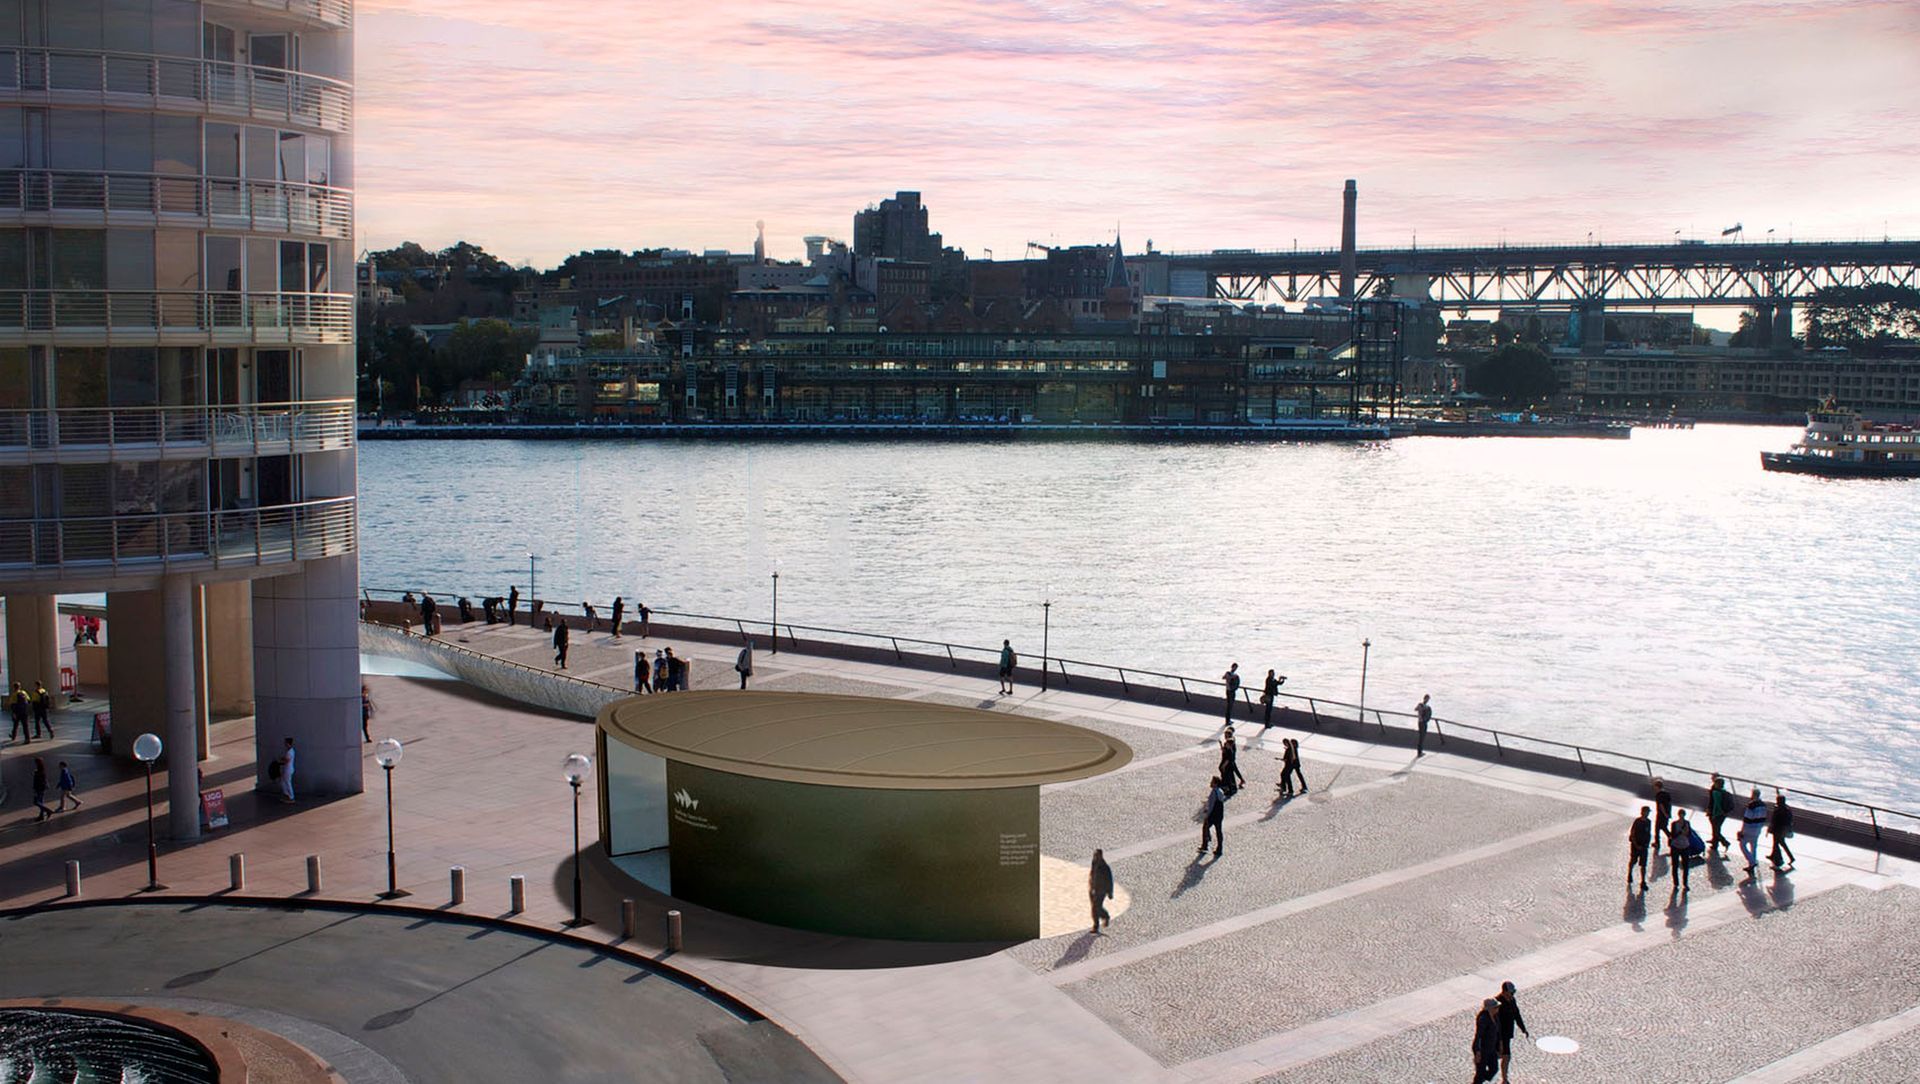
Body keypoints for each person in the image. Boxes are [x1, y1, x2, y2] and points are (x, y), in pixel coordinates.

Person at [1495, 981, 1529, 1083]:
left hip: (1507, 1034)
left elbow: (1516, 1014)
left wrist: (1523, 1029)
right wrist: (1500, 1040)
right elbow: (1497, 1023)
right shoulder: (1498, 1003)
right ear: (1504, 992)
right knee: (1503, 1055)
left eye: (1513, 992)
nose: (1512, 994)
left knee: (1505, 1056)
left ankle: (1504, 1080)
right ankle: (1502, 1079)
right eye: (1511, 992)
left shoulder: (1512, 1000)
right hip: (1499, 1035)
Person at [1738, 788, 1768, 876]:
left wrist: (1742, 831)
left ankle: (1752, 861)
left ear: (1753, 794)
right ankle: (1752, 863)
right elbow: (1764, 818)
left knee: (1742, 845)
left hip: (1749, 829)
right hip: (1758, 828)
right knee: (1753, 846)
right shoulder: (1763, 805)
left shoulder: (1751, 805)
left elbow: (1747, 819)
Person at [1471, 998, 1502, 1083]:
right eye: (1496, 1007)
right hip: (1482, 1049)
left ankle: (1483, 1078)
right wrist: (1477, 1051)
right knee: (1480, 1073)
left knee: (1494, 1068)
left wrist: (1499, 1045)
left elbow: (1498, 1032)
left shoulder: (1495, 1017)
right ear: (1490, 1008)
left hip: (1491, 1048)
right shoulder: (1483, 1019)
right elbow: (1478, 1036)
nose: (1498, 1008)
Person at [1199, 775, 1227, 857]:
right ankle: (1219, 848)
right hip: (1219, 815)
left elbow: (1211, 805)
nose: (1210, 783)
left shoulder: (1213, 793)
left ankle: (1205, 845)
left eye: (1212, 782)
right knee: (1219, 831)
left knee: (1205, 827)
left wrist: (1207, 815)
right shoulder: (1221, 791)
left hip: (1213, 816)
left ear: (1215, 784)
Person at [1627, 805, 1653, 892]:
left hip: (1644, 847)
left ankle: (1643, 881)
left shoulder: (1649, 822)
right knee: (1633, 861)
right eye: (1647, 812)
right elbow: (1633, 834)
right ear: (1643, 812)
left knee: (1643, 865)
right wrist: (1636, 845)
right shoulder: (1637, 821)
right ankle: (1630, 873)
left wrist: (1647, 844)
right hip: (1636, 846)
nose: (1648, 813)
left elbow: (1649, 833)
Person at [1089, 849, 1115, 933]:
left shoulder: (1105, 867)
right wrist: (1091, 885)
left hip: (1101, 890)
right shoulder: (1094, 863)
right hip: (1093, 889)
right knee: (1094, 907)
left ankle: (1104, 917)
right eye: (1094, 855)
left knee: (1096, 907)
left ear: (1101, 856)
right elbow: (1092, 874)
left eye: (1097, 855)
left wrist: (1110, 892)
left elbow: (1109, 880)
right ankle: (1096, 924)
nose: (1095, 857)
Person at [1768, 792, 1796, 870]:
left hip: (1777, 830)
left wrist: (1770, 828)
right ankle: (1776, 856)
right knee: (1780, 843)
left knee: (1777, 844)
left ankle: (1779, 860)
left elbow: (1774, 821)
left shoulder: (1778, 810)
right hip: (1784, 830)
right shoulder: (1787, 809)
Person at [1707, 774, 1733, 856]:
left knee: (1716, 830)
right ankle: (1715, 844)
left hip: (1717, 814)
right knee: (1716, 829)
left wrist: (1712, 814)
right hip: (1723, 815)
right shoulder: (1725, 792)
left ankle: (1725, 842)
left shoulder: (1716, 792)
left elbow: (1716, 805)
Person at [1668, 809, 1692, 897]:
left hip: (1685, 846)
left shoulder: (1687, 823)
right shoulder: (1674, 824)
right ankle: (1676, 883)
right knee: (1675, 865)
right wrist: (1680, 832)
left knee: (1686, 866)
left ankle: (1685, 883)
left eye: (1683, 814)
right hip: (1676, 846)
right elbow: (1673, 835)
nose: (1682, 816)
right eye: (1680, 814)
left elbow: (1689, 834)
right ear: (1678, 815)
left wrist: (1685, 832)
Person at [1219, 728, 1246, 794]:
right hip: (1229, 760)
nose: (1225, 736)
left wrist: (1224, 764)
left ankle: (1229, 785)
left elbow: (1229, 755)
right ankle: (1229, 783)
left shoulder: (1230, 742)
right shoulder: (1229, 742)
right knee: (1234, 771)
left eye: (1226, 735)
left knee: (1230, 773)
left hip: (1230, 760)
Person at [1651, 777, 1673, 855]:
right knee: (1662, 827)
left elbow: (1661, 805)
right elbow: (1670, 804)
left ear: (1657, 786)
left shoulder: (1658, 795)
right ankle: (1665, 840)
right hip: (1666, 814)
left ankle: (1662, 841)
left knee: (1660, 828)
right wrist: (1669, 813)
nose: (1654, 788)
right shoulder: (1667, 794)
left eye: (1655, 787)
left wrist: (1664, 813)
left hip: (1661, 814)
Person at [31, 757, 55, 822]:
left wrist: (34, 789)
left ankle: (48, 810)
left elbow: (36, 781)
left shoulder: (37, 772)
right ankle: (41, 815)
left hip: (38, 788)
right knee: (41, 801)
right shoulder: (42, 770)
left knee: (36, 802)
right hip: (43, 787)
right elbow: (44, 779)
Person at [277, 737, 297, 803]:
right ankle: (287, 794)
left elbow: (286, 761)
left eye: (285, 743)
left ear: (288, 743)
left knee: (287, 783)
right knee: (283, 782)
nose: (284, 744)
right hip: (289, 769)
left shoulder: (289, 752)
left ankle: (291, 797)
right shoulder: (291, 751)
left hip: (288, 769)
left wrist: (279, 761)